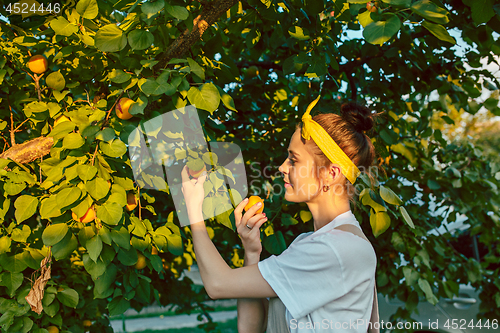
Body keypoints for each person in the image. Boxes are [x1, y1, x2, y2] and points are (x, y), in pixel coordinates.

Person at [181, 96, 380, 333]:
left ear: (332, 173)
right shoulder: (310, 244)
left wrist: (194, 211)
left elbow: (217, 285)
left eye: (294, 160)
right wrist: (252, 253)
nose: (282, 167)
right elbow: (251, 329)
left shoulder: (335, 249)